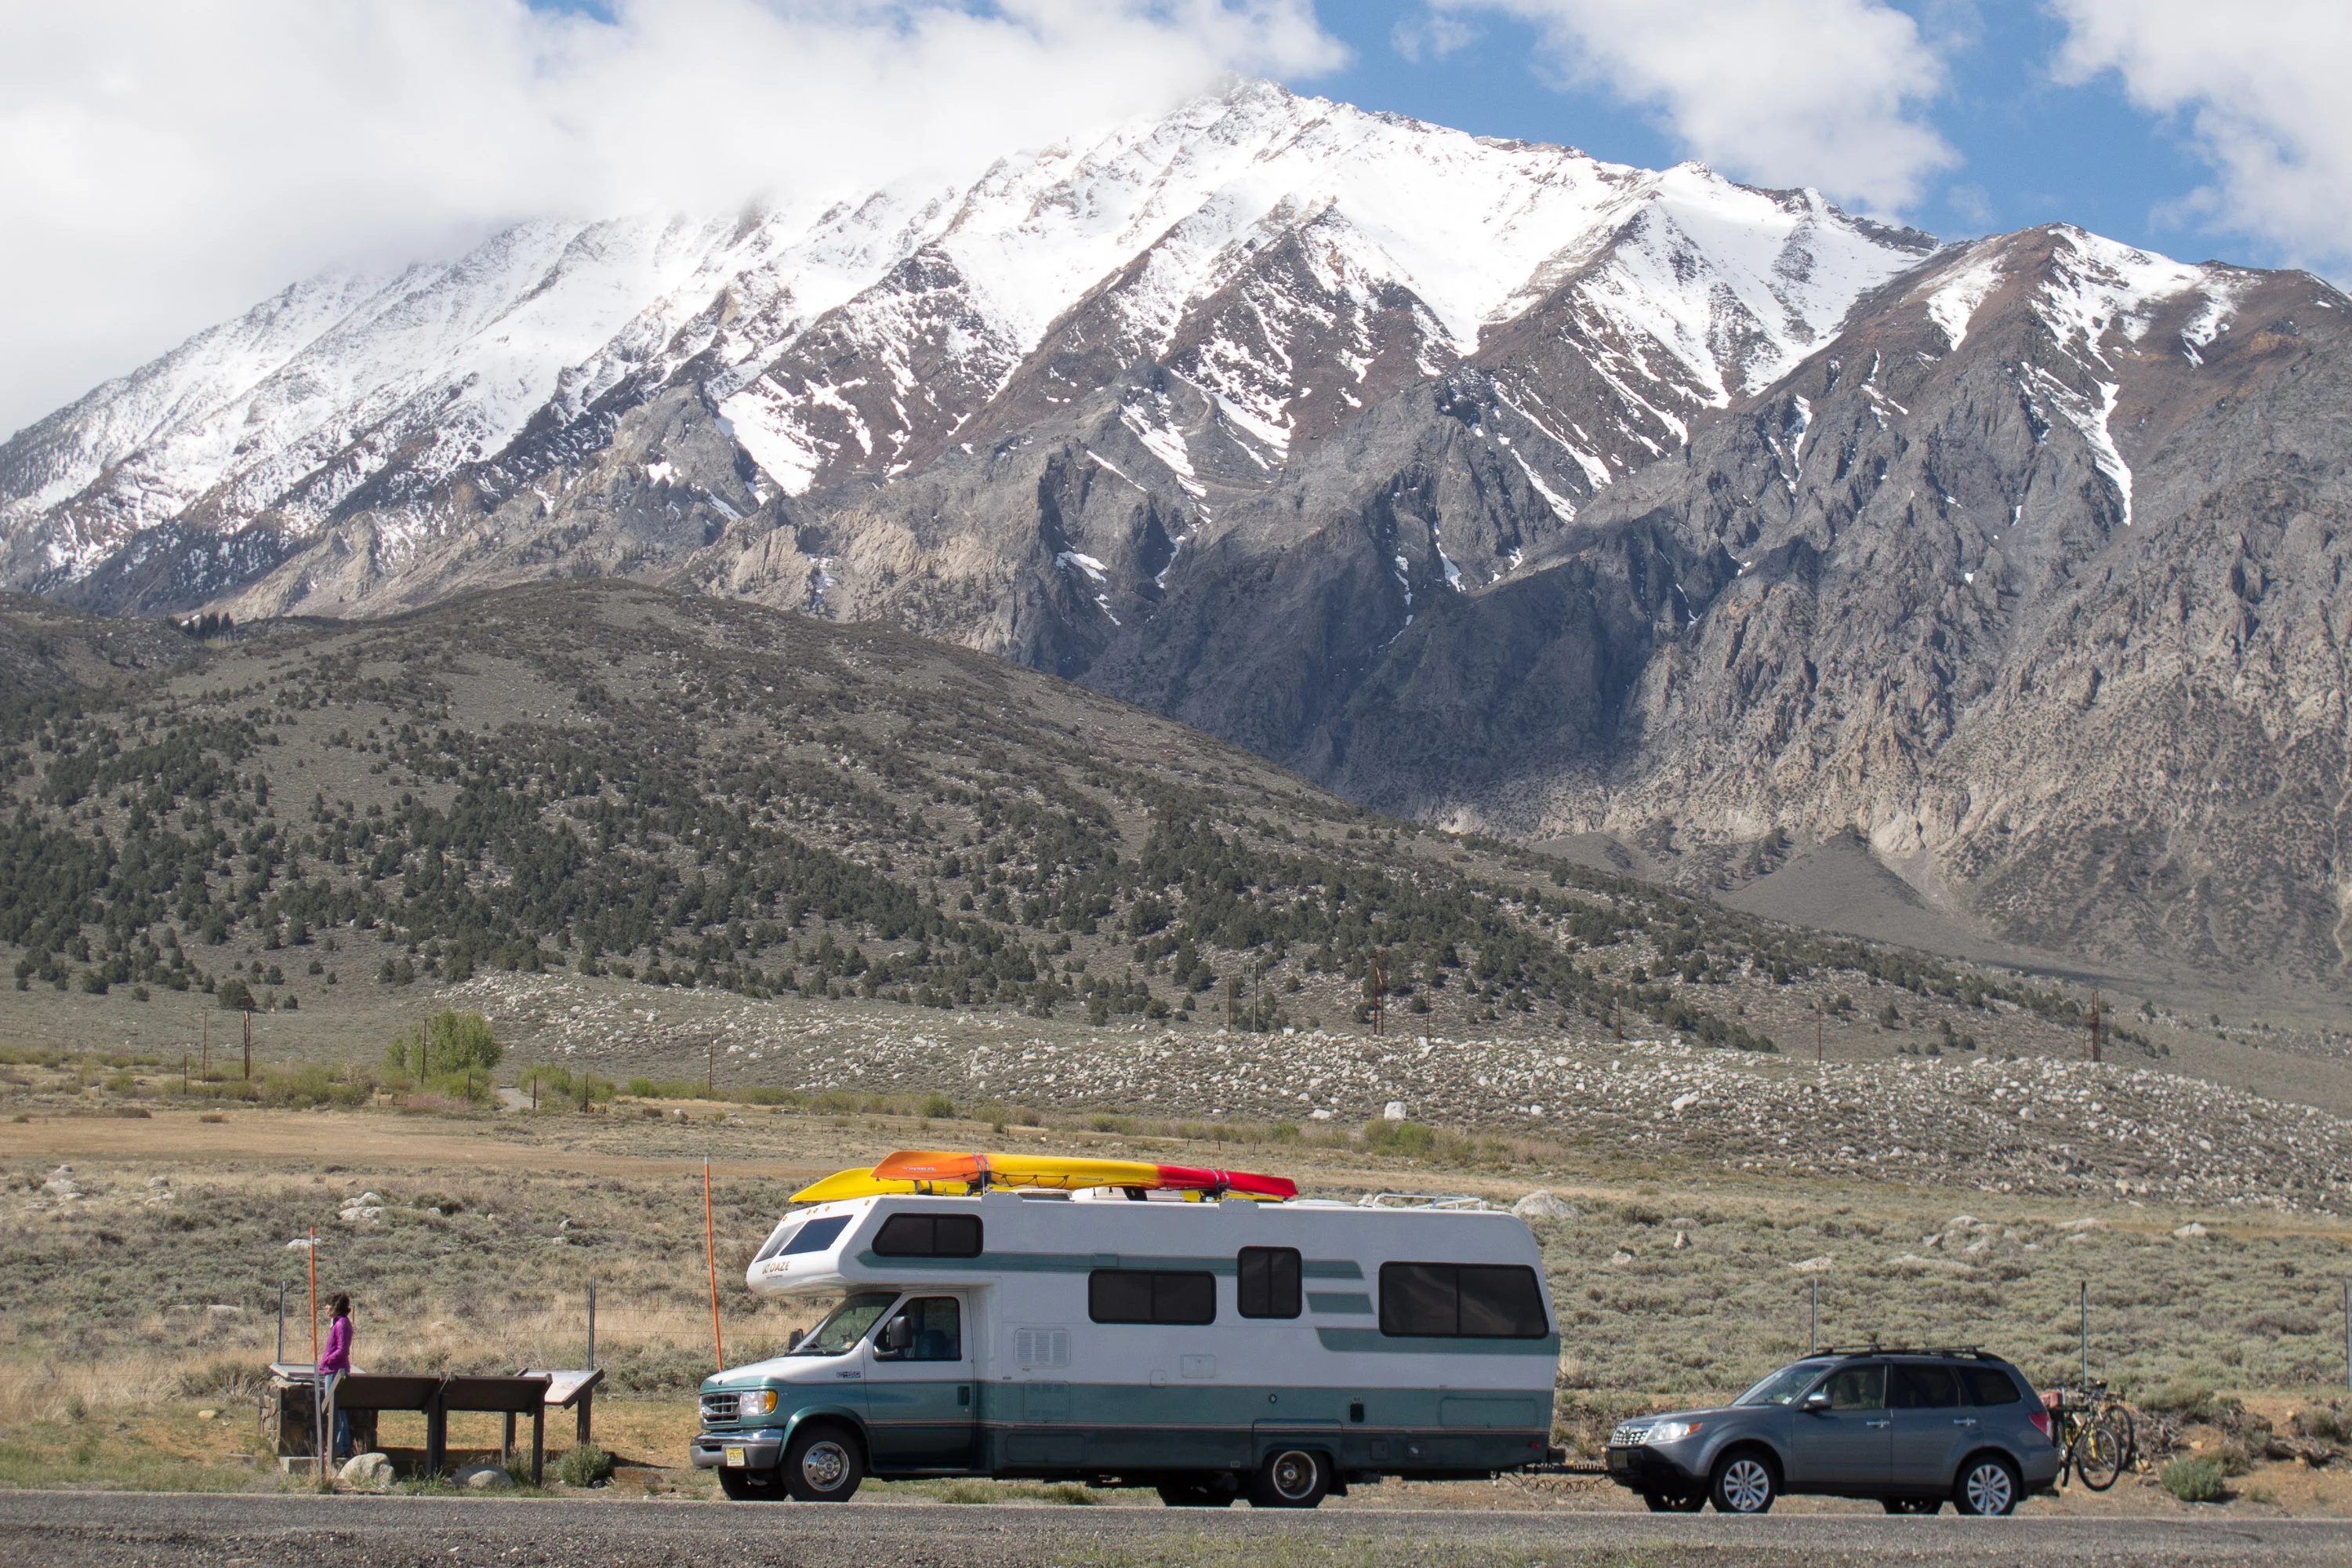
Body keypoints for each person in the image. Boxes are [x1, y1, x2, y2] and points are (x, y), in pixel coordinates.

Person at [320, 1294, 354, 1461]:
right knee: (338, 1410)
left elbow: (342, 1349)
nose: (325, 1308)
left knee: (335, 1410)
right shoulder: (339, 1323)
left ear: (335, 1307)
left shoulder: (341, 1324)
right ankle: (343, 1445)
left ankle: (339, 1447)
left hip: (335, 1371)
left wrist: (327, 1360)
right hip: (333, 1370)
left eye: (328, 1305)